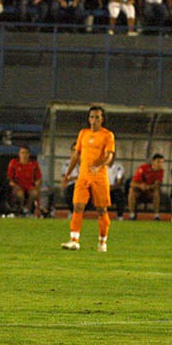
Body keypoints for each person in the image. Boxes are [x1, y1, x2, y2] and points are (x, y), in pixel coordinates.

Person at [60, 106, 115, 252]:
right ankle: (74, 240)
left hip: (99, 177)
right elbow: (76, 155)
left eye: (97, 117)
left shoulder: (107, 135)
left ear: (102, 119)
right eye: (91, 117)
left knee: (101, 209)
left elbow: (109, 156)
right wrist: (68, 174)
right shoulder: (83, 133)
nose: (94, 120)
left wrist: (99, 166)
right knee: (78, 206)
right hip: (83, 176)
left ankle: (102, 241)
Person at [128, 153, 164, 220]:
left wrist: (148, 187)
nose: (160, 164)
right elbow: (132, 183)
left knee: (156, 192)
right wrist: (141, 185)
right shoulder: (143, 168)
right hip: (139, 191)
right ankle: (132, 215)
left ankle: (156, 215)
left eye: (162, 162)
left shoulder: (161, 171)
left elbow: (157, 185)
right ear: (153, 162)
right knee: (132, 191)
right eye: (158, 162)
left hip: (150, 191)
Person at [7, 145, 42, 216]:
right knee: (20, 194)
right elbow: (9, 178)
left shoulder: (34, 164)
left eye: (26, 153)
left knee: (34, 193)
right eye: (22, 153)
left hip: (29, 186)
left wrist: (37, 187)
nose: (24, 155)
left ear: (29, 154)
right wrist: (14, 186)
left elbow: (39, 178)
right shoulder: (14, 163)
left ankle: (27, 209)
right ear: (19, 154)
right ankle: (20, 209)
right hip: (18, 186)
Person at [60, 141, 78, 216]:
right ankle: (72, 212)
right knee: (68, 190)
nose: (75, 152)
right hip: (71, 187)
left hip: (83, 187)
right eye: (74, 150)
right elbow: (65, 179)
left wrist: (72, 178)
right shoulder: (66, 164)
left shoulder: (86, 163)